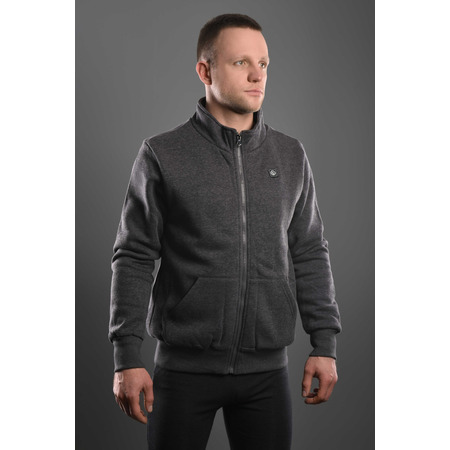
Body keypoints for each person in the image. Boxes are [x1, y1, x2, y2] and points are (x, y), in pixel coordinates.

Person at [109, 13, 342, 450]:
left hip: (266, 374)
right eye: (241, 63)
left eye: (264, 63)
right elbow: (134, 255)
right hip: (183, 371)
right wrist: (126, 356)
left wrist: (324, 343)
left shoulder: (290, 155)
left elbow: (310, 250)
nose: (258, 75)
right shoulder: (163, 154)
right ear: (205, 71)